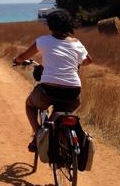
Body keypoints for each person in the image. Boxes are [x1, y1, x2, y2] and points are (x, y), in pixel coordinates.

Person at [13, 9, 93, 152]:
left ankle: (38, 134)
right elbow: (88, 60)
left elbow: (23, 56)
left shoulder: (43, 41)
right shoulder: (76, 43)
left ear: (50, 25)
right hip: (73, 92)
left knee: (29, 105)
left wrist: (18, 60)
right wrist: (77, 63)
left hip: (49, 90)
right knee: (60, 112)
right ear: (68, 25)